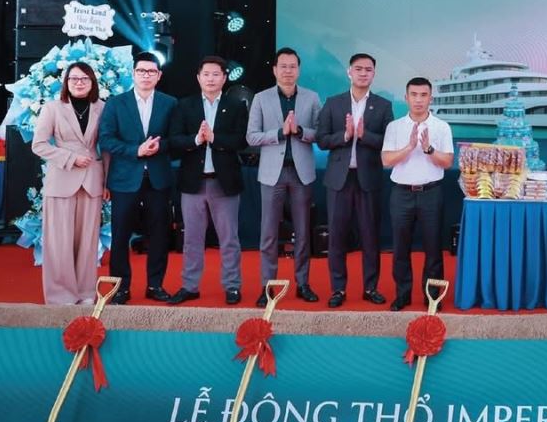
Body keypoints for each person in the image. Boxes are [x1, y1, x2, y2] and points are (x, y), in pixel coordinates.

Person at [167, 55, 250, 305]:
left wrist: (215, 139)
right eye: (206, 74)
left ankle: (232, 286)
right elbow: (174, 140)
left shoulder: (236, 105)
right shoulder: (185, 105)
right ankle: (190, 286)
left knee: (229, 238)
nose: (211, 79)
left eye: (216, 74)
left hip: (224, 182)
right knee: (192, 238)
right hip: (193, 182)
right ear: (198, 77)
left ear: (224, 78)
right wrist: (196, 140)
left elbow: (242, 140)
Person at [245, 47, 323, 307]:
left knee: (303, 232)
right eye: (283, 66)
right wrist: (280, 133)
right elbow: (251, 136)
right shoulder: (261, 98)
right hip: (272, 173)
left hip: (301, 173)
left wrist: (299, 131)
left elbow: (321, 134)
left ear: (298, 70)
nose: (288, 71)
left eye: (292, 66)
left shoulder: (312, 98)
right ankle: (268, 286)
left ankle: (303, 284)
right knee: (268, 233)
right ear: (274, 70)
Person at [316, 53, 394, 307]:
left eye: (368, 69)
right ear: (349, 72)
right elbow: (322, 139)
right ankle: (338, 289)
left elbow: (389, 142)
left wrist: (364, 135)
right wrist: (345, 135)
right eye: (358, 69)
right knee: (337, 237)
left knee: (370, 237)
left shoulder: (383, 106)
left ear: (374, 74)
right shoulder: (333, 103)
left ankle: (370, 288)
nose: (363, 73)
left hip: (368, 180)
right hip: (339, 180)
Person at [98, 51, 176, 304]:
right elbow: (105, 139)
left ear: (159, 75)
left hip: (158, 178)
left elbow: (175, 139)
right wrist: (136, 150)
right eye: (141, 71)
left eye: (151, 71)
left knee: (159, 234)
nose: (146, 75)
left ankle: (155, 285)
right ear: (133, 73)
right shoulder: (115, 103)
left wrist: (159, 146)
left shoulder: (169, 103)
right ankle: (120, 288)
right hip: (124, 179)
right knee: (121, 235)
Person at [31, 61, 106, 305]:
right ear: (66, 82)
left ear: (92, 82)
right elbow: (38, 145)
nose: (79, 83)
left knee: (87, 243)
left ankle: (85, 293)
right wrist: (71, 158)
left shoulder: (103, 108)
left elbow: (107, 148)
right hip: (61, 180)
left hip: (92, 181)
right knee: (59, 242)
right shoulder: (52, 108)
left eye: (84, 78)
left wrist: (107, 182)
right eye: (74, 78)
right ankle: (60, 294)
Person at [380, 77, 454, 310]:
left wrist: (428, 149)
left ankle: (432, 296)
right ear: (406, 98)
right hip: (401, 194)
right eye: (414, 95)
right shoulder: (394, 127)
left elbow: (447, 162)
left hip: (431, 193)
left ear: (431, 98)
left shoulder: (441, 127)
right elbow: (386, 160)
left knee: (433, 248)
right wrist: (410, 147)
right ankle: (402, 294)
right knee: (400, 248)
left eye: (423, 95)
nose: (419, 100)